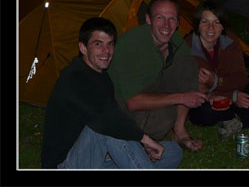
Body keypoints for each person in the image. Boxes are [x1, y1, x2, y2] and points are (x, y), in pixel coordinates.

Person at [41, 17, 182, 169]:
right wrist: (145, 139)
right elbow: (107, 120)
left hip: (97, 159)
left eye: (110, 44)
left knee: (172, 151)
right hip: (68, 164)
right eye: (98, 44)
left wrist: (141, 146)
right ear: (83, 48)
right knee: (105, 127)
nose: (106, 51)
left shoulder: (103, 77)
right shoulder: (74, 76)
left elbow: (114, 122)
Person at [107, 0, 209, 152]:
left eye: (172, 19)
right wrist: (181, 98)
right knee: (165, 116)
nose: (166, 26)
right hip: (122, 103)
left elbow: (189, 74)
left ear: (178, 22)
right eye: (160, 17)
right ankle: (141, 138)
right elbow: (132, 102)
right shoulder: (130, 46)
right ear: (148, 19)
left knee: (188, 63)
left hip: (152, 85)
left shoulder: (174, 39)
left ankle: (180, 131)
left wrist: (208, 88)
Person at [184, 1, 249, 138]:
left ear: (223, 26)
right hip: (208, 101)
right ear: (197, 25)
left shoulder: (229, 40)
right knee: (204, 112)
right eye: (205, 22)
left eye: (216, 22)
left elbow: (241, 79)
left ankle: (237, 121)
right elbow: (192, 88)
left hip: (234, 94)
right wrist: (233, 97)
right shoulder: (187, 47)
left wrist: (216, 81)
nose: (211, 28)